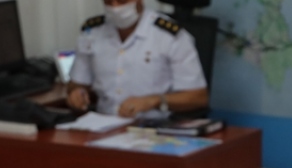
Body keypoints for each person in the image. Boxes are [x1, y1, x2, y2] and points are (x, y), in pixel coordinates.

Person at [67, 0, 209, 119]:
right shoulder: (92, 32)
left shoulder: (169, 36)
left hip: (153, 129)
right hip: (102, 126)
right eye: (108, 2)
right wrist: (77, 93)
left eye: (122, 1)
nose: (115, 7)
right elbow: (77, 83)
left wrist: (154, 101)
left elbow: (198, 97)